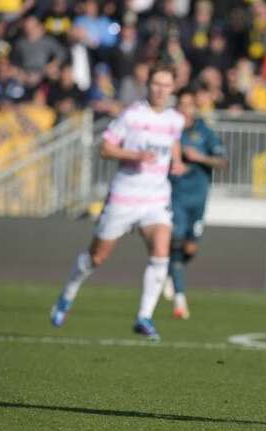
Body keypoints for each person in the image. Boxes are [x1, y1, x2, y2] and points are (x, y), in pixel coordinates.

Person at [49, 64, 186, 341]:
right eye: (156, 84)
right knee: (97, 257)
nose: (161, 90)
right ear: (148, 85)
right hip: (125, 196)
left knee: (161, 252)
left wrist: (178, 161)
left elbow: (172, 142)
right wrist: (134, 155)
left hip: (156, 198)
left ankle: (144, 317)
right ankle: (67, 295)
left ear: (173, 88)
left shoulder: (175, 119)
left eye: (166, 85)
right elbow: (105, 148)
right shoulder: (132, 115)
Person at [161, 87, 227, 319]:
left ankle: (171, 270)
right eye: (181, 105)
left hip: (198, 198)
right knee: (176, 239)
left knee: (189, 248)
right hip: (175, 196)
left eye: (189, 105)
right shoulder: (169, 131)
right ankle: (180, 300)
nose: (184, 109)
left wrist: (198, 157)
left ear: (194, 108)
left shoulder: (204, 132)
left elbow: (222, 162)